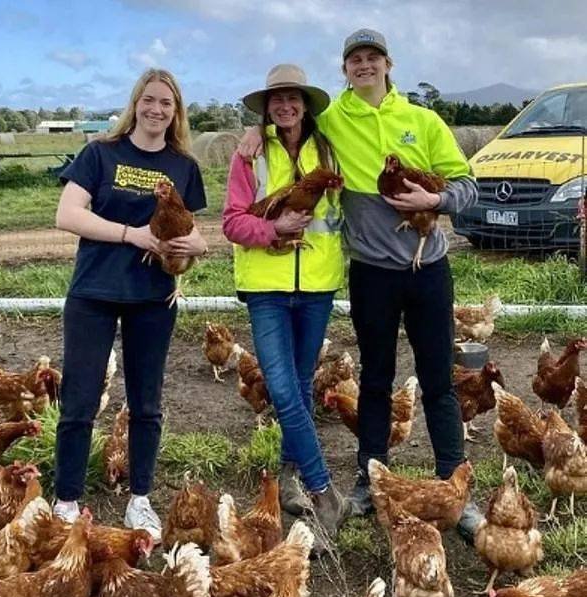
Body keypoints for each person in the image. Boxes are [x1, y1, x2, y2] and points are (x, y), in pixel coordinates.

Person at [239, 31, 482, 542]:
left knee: (439, 380)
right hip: (371, 273)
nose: (364, 66)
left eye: (372, 58)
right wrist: (252, 131)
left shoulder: (422, 120)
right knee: (374, 380)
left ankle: (455, 487)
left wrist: (434, 203)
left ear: (388, 64)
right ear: (345, 69)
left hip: (428, 270)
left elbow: (466, 184)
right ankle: (371, 480)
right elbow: (287, 121)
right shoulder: (331, 122)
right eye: (355, 59)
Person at [53, 68, 208, 543]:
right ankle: (66, 501)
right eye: (149, 99)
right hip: (93, 294)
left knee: (146, 404)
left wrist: (188, 249)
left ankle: (139, 499)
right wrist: (132, 235)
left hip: (152, 298)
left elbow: (198, 235)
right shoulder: (100, 153)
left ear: (175, 112)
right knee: (78, 402)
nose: (157, 109)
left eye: (167, 103)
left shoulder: (184, 166)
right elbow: (67, 214)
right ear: (135, 103)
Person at [223, 64, 350, 545]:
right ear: (266, 107)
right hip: (267, 286)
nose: (285, 105)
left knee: (297, 385)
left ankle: (291, 478)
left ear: (305, 104)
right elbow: (233, 222)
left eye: (293, 97)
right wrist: (273, 230)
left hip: (317, 284)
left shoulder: (329, 148)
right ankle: (323, 491)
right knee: (280, 387)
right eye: (276, 99)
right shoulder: (250, 155)